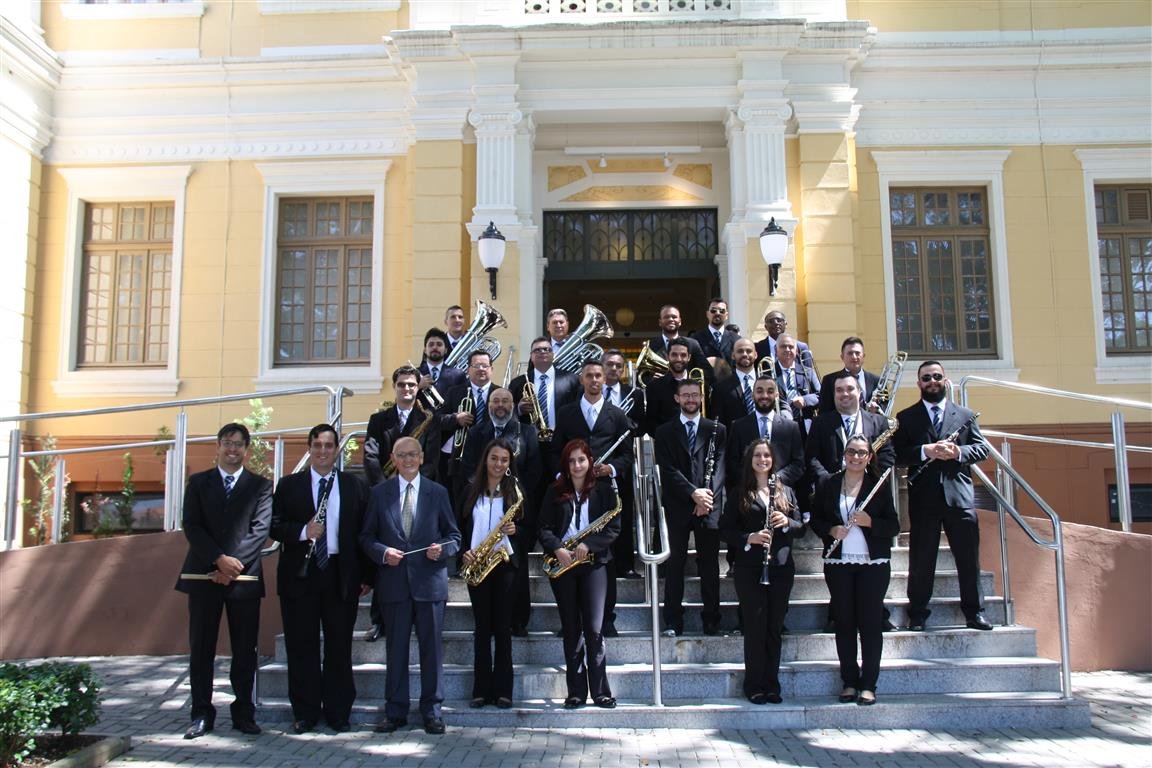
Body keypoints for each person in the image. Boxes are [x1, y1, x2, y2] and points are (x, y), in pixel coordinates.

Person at [270, 424, 372, 734]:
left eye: (329, 445)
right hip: (301, 575)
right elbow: (274, 526)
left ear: (338, 449)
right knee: (302, 646)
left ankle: (339, 712)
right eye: (317, 445)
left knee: (339, 646)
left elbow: (364, 533)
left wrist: (366, 575)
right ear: (309, 448)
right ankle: (305, 712)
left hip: (340, 575)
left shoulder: (354, 486)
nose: (323, 451)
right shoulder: (289, 485)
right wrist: (303, 531)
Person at [175, 423, 272, 739]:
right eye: (228, 443)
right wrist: (217, 560)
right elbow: (192, 525)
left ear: (247, 449)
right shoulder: (198, 483)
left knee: (245, 649)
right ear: (218, 446)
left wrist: (230, 566)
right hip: (204, 576)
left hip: (243, 579)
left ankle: (244, 713)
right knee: (201, 648)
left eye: (239, 444)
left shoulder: (261, 486)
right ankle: (201, 713)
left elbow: (260, 531)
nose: (233, 449)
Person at [360, 437, 461, 735]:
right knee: (396, 650)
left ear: (420, 458)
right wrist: (382, 553)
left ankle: (432, 711)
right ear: (392, 457)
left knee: (432, 651)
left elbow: (454, 537)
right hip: (393, 585)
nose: (407, 460)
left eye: (412, 454)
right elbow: (365, 537)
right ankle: (395, 711)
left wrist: (441, 549)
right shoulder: (379, 494)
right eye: (401, 455)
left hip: (429, 584)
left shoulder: (437, 492)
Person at [894, 361, 992, 632]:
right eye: (926, 378)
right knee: (921, 558)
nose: (932, 381)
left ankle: (974, 612)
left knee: (968, 558)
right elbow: (898, 455)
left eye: (937, 376)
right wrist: (926, 450)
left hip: (959, 497)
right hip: (924, 498)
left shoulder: (965, 415)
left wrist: (958, 453)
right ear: (919, 384)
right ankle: (918, 614)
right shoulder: (906, 417)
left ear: (945, 380)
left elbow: (982, 449)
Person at [810, 435, 900, 707]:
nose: (856, 457)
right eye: (851, 452)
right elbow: (816, 519)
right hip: (839, 564)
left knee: (871, 625)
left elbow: (893, 526)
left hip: (873, 565)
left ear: (869, 457)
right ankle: (849, 681)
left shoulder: (879, 486)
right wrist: (830, 529)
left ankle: (869, 684)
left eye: (862, 453)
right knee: (844, 624)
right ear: (844, 454)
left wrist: (870, 522)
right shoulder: (828, 484)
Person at [552, 358, 635, 636]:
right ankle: (571, 620)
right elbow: (555, 450)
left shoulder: (617, 414)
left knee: (602, 557)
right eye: (590, 375)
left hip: (602, 492)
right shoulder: (566, 413)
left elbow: (627, 455)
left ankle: (605, 619)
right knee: (570, 547)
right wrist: (562, 476)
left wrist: (610, 468)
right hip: (571, 490)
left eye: (599, 375)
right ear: (581, 379)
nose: (596, 380)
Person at [537, 439, 621, 709]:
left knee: (594, 629)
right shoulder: (554, 491)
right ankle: (576, 692)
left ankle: (600, 691)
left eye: (581, 460)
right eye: (571, 461)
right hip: (563, 564)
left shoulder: (605, 490)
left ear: (590, 461)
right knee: (571, 629)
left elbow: (613, 528)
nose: (576, 465)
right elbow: (544, 528)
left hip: (594, 564)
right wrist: (558, 548)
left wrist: (589, 544)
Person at [719, 439, 803, 704]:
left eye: (767, 455)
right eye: (757, 455)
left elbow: (800, 526)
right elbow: (725, 530)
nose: (762, 460)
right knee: (755, 628)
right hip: (749, 568)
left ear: (772, 460)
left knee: (774, 629)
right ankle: (753, 684)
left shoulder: (786, 492)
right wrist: (750, 537)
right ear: (750, 460)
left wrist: (787, 522)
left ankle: (772, 684)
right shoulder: (739, 493)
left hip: (780, 567)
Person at [458, 386, 542, 637]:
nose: (501, 405)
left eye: (506, 400)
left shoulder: (526, 431)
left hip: (515, 502)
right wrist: (486, 486)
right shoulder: (475, 433)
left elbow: (535, 470)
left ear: (513, 404)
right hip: (483, 500)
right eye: (496, 401)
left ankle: (518, 620)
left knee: (517, 565)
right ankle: (486, 619)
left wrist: (514, 494)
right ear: (489, 403)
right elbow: (468, 466)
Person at [654, 378, 726, 636]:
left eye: (695, 395)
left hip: (708, 506)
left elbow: (719, 469)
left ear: (701, 397)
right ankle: (673, 620)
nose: (691, 399)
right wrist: (693, 493)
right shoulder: (663, 432)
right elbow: (668, 470)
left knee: (710, 565)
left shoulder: (716, 429)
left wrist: (706, 499)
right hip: (678, 505)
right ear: (677, 398)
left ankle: (712, 619)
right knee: (675, 566)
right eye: (686, 395)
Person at [456, 439, 524, 708]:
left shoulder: (515, 492)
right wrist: (464, 551)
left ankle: (504, 690)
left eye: (504, 460)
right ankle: (480, 690)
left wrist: (516, 532)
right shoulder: (471, 490)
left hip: (504, 564)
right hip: (477, 563)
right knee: (482, 628)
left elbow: (528, 531)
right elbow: (458, 527)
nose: (499, 464)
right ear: (486, 459)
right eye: (494, 458)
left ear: (510, 464)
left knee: (503, 628)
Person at [602, 348, 644, 578]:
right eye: (610, 364)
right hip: (597, 460)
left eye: (619, 365)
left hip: (623, 462)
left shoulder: (634, 393)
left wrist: (621, 420)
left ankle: (626, 565)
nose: (615, 369)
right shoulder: (592, 391)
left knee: (624, 515)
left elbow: (640, 425)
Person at [435, 349, 496, 498]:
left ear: (491, 369)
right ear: (468, 369)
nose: (481, 369)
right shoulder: (454, 392)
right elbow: (437, 420)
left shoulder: (500, 393)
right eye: (476, 366)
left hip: (491, 459)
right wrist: (455, 419)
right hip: (461, 462)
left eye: (485, 366)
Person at [364, 365, 434, 488]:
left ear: (418, 387)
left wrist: (414, 487)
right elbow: (370, 456)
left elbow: (431, 461)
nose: (406, 388)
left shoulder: (429, 420)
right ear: (394, 386)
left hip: (416, 489)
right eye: (401, 384)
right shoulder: (377, 420)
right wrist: (383, 487)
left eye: (411, 385)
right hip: (383, 487)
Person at [711, 337, 764, 429]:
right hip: (735, 441)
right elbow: (718, 424)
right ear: (733, 355)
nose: (745, 354)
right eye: (740, 351)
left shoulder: (768, 382)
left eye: (749, 351)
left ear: (755, 355)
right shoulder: (720, 388)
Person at [817, 337, 880, 415]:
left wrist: (876, 410)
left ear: (863, 356)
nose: (854, 357)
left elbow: (884, 411)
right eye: (850, 353)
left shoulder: (877, 381)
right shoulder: (829, 381)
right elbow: (824, 412)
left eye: (857, 353)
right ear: (842, 357)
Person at [775, 333, 821, 438]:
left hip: (804, 426)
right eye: (783, 346)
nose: (787, 349)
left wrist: (805, 400)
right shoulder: (768, 373)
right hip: (778, 427)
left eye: (791, 347)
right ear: (776, 351)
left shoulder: (808, 372)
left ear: (796, 351)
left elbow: (821, 395)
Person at [689, 297, 740, 369]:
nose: (717, 313)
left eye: (722, 311)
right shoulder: (695, 339)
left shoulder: (736, 339)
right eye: (713, 311)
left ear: (726, 316)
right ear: (707, 314)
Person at [417, 327, 467, 397]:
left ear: (446, 350)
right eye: (431, 344)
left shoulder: (458, 375)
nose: (435, 347)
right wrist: (418, 387)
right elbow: (401, 400)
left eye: (439, 344)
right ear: (425, 350)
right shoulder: (414, 374)